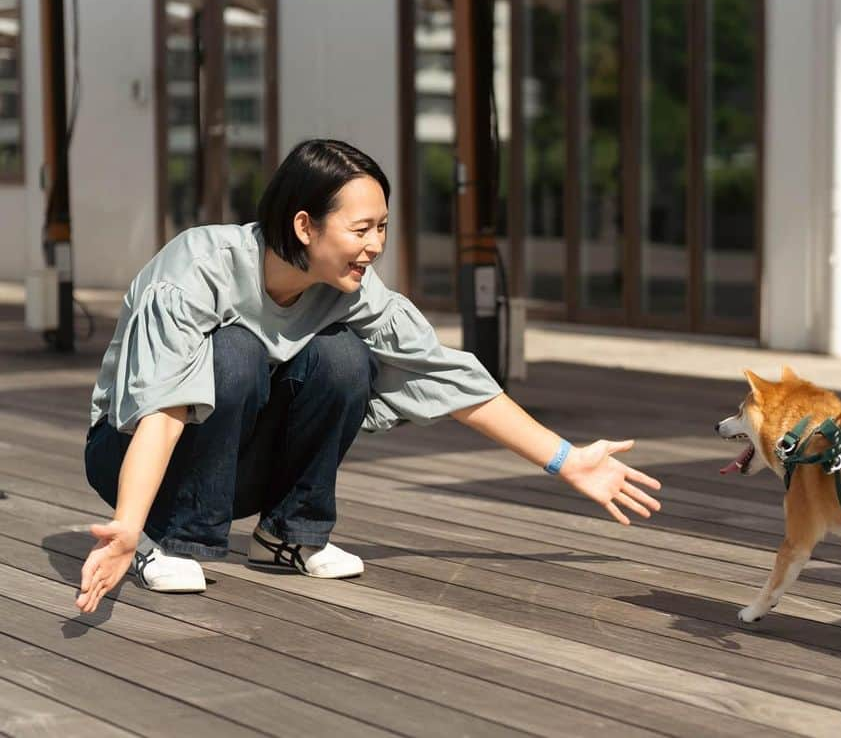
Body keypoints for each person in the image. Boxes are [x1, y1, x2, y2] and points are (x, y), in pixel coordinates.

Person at [76, 139, 661, 614]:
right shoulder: (200, 268)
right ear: (305, 226)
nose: (375, 245)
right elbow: (164, 407)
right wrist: (128, 526)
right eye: (362, 230)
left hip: (235, 467)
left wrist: (566, 460)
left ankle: (288, 533)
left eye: (382, 227)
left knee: (343, 358)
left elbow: (445, 373)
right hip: (129, 452)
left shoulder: (347, 291)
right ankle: (170, 537)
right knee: (234, 351)